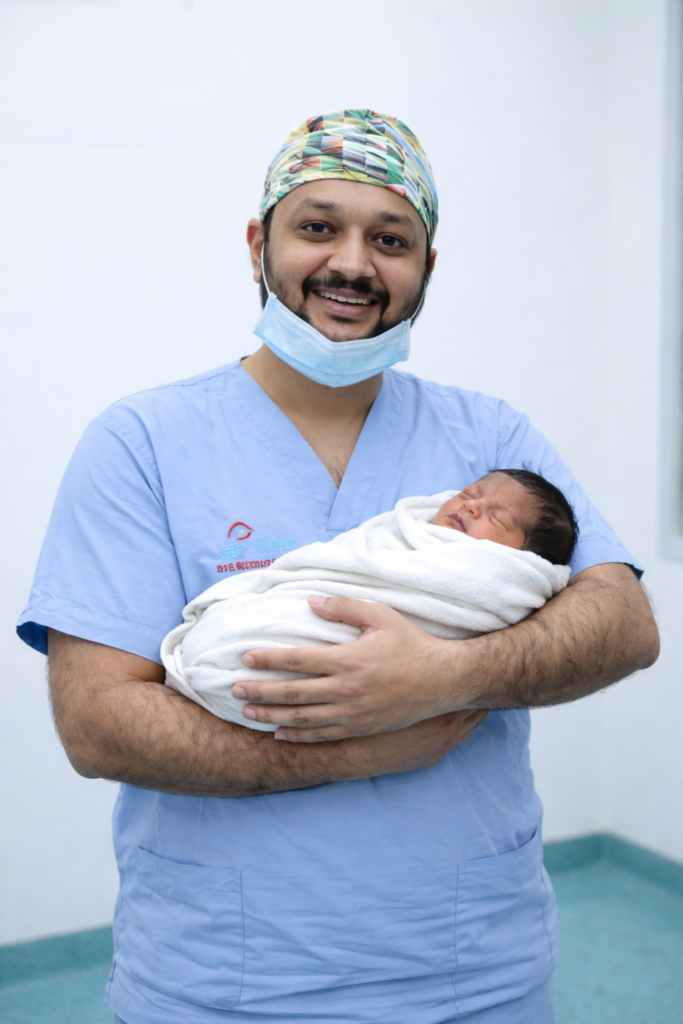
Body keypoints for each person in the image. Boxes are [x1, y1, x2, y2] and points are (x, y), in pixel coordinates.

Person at [17, 109, 659, 1024]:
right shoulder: (141, 443)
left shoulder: (490, 440)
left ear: (425, 267)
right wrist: (363, 743)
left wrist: (441, 675)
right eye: (318, 226)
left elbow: (626, 623)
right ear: (258, 244)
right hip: (227, 985)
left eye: (390, 238)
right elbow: (98, 725)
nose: (353, 263)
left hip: (475, 973)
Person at [161, 470, 579, 731]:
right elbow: (338, 565)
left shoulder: (492, 575)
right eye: (471, 492)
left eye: (497, 517)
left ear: (522, 560)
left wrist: (438, 671)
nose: (472, 507)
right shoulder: (396, 533)